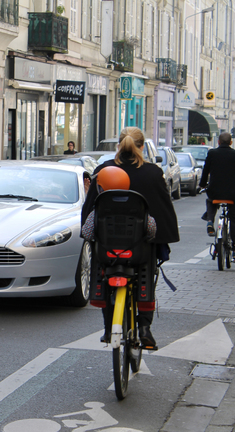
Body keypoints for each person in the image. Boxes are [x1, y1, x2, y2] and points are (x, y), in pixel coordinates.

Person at [82, 127, 180, 348]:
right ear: (142, 146)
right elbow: (162, 210)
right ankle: (144, 328)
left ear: (119, 145)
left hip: (107, 247)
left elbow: (90, 210)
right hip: (140, 248)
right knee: (148, 272)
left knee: (104, 276)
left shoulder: (103, 170)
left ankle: (108, 329)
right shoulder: (153, 172)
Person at [198, 132, 235, 263]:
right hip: (233, 194)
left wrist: (202, 185)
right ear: (231, 142)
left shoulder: (212, 153)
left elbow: (205, 171)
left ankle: (210, 221)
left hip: (215, 192)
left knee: (210, 200)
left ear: (218, 142)